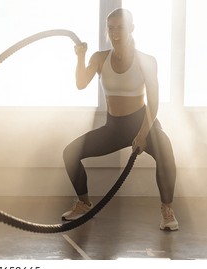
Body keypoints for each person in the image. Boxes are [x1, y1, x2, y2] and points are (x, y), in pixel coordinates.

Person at [61, 8, 178, 231]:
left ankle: (167, 209)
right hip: (114, 126)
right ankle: (84, 204)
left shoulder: (146, 60)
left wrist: (143, 134)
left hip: (143, 122)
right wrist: (80, 56)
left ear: (131, 29)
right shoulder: (99, 58)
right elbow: (81, 83)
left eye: (121, 27)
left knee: (166, 152)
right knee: (70, 153)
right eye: (111, 28)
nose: (115, 33)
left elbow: (153, 101)